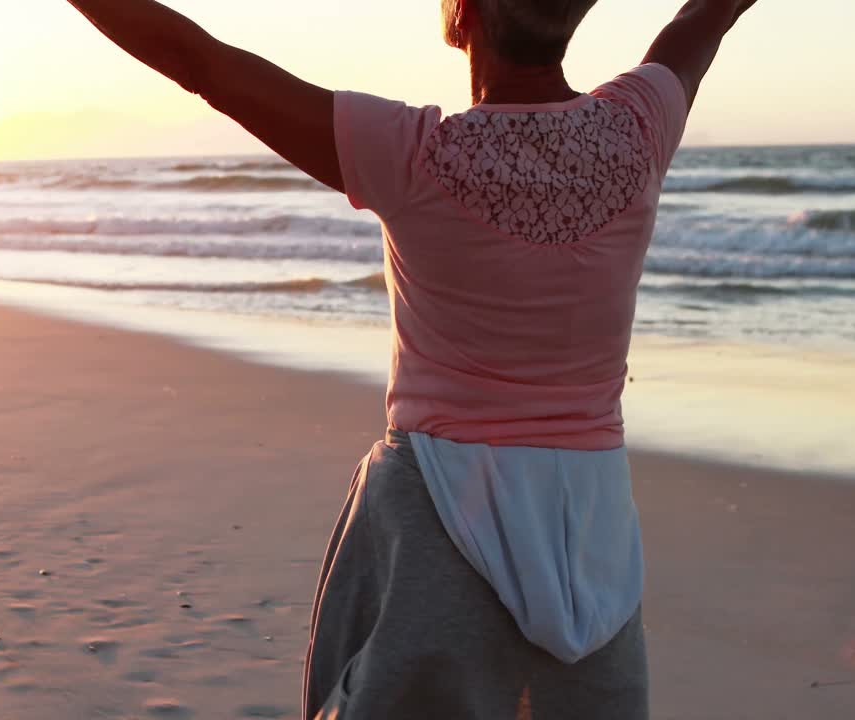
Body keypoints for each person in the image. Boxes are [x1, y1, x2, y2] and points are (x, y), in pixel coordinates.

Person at [63, 1, 761, 717]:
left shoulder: (408, 150)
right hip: (592, 545)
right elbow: (703, 20)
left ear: (463, 16)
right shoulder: (640, 127)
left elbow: (200, 61)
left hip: (436, 523)